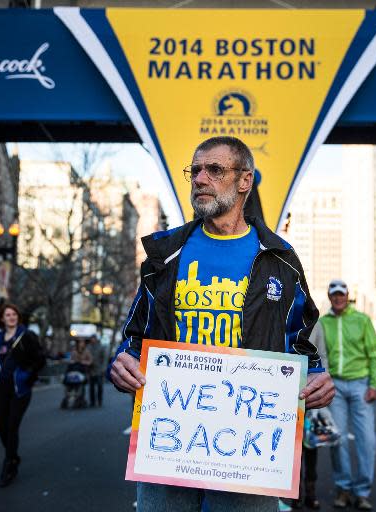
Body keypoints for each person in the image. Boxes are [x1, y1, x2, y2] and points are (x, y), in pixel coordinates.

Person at [108, 136, 335, 512]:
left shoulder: (280, 259)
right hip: (169, 444)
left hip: (249, 449)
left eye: (214, 170)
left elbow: (301, 340)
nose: (199, 179)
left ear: (244, 180)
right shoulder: (164, 255)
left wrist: (316, 378)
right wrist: (122, 361)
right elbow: (135, 335)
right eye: (195, 170)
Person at [310, 279, 376, 510]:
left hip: (360, 384)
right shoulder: (322, 323)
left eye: (342, 294)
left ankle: (362, 492)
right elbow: (318, 353)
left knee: (367, 440)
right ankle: (343, 488)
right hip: (336, 387)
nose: (338, 298)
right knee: (337, 438)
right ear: (330, 297)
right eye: (334, 294)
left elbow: (375, 354)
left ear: (347, 295)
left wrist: (375, 384)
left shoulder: (362, 320)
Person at [0, 303, 45, 487]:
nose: (11, 317)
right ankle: (13, 457)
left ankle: (8, 467)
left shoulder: (27, 335)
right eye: (7, 315)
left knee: (12, 427)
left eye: (14, 314)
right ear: (2, 318)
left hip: (19, 389)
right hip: (1, 389)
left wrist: (27, 377)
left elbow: (40, 359)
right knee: (1, 427)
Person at [87, 335, 107, 407]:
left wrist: (103, 368)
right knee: (91, 387)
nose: (92, 340)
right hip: (91, 370)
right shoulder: (88, 347)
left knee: (99, 386)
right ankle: (92, 402)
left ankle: (99, 401)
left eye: (93, 339)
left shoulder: (101, 347)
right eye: (91, 339)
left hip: (99, 369)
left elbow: (104, 358)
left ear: (96, 339)